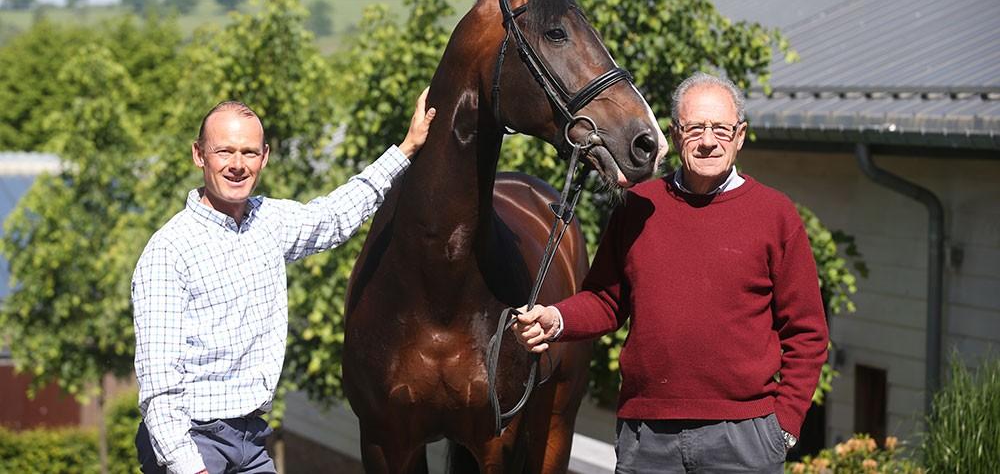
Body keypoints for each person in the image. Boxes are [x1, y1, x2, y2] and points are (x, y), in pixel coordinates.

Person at [514, 72, 828, 473]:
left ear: (741, 135)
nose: (709, 141)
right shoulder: (637, 207)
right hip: (648, 437)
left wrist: (783, 426)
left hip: (744, 437)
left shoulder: (776, 215)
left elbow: (808, 333)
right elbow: (607, 301)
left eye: (721, 128)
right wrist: (557, 318)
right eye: (696, 128)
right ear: (676, 134)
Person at [132, 90, 436, 474]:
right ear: (199, 155)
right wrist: (190, 467)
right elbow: (159, 385)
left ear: (265, 156)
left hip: (251, 441)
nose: (238, 165)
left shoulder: (269, 223)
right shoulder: (169, 251)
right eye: (224, 151)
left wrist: (407, 148)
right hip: (192, 445)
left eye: (249, 152)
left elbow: (335, 217)